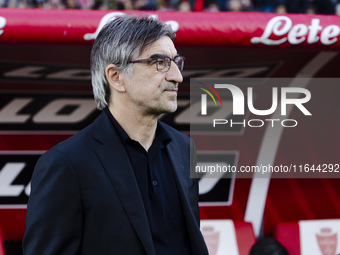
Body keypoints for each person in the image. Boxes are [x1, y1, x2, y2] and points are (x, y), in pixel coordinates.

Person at [22, 15, 208, 255]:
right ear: (116, 77)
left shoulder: (184, 148)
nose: (177, 76)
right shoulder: (65, 164)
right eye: (160, 62)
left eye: (175, 61)